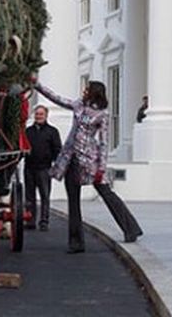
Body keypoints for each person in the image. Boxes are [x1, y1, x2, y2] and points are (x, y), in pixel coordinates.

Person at [36, 80, 143, 251]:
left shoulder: (102, 114)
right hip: (71, 158)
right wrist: (37, 85)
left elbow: (103, 143)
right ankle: (76, 242)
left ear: (94, 92)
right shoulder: (78, 105)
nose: (84, 91)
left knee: (106, 193)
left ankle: (131, 228)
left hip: (89, 160)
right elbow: (58, 99)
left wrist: (102, 167)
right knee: (73, 200)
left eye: (87, 89)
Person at [24, 105, 61, 231]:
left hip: (44, 168)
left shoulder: (52, 131)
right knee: (29, 196)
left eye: (41, 114)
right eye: (37, 114)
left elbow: (57, 149)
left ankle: (44, 221)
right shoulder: (28, 131)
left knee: (45, 196)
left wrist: (56, 165)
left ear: (46, 116)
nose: (38, 116)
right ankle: (30, 220)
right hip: (29, 167)